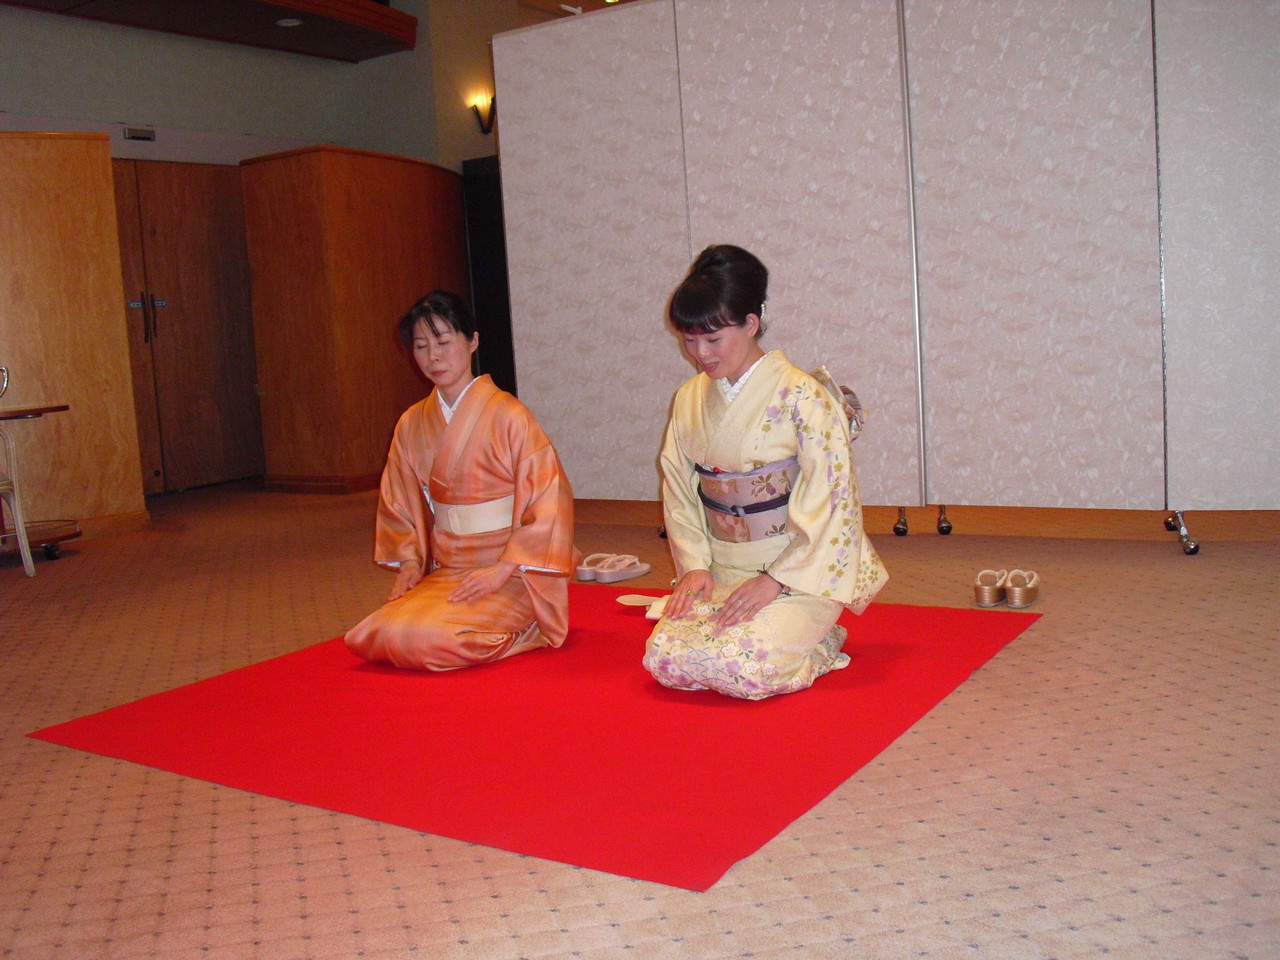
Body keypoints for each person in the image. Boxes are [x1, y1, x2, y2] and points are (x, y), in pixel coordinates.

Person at [643, 245, 888, 700]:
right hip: (724, 570)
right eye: (689, 340)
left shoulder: (803, 397)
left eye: (713, 339)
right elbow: (679, 489)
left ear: (751, 323)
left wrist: (776, 578)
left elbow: (834, 502)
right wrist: (695, 566)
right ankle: (784, 636)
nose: (700, 354)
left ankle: (821, 642)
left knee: (745, 667)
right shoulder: (688, 399)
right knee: (666, 660)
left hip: (797, 573)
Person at [344, 290, 576, 671]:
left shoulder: (509, 415)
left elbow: (549, 497)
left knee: (435, 641)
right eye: (421, 346)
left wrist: (502, 569)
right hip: (449, 567)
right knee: (377, 635)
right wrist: (408, 565)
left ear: (472, 341)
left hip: (511, 569)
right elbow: (399, 502)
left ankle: (531, 624)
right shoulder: (411, 423)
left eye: (443, 341)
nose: (433, 357)